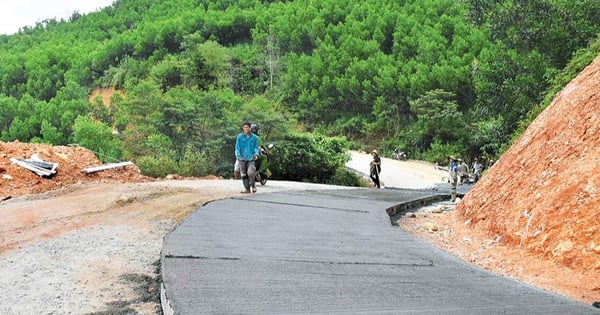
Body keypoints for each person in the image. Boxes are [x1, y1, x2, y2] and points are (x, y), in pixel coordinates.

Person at [235, 121, 260, 193]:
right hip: (242, 158)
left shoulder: (254, 138)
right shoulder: (239, 137)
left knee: (250, 173)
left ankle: (253, 185)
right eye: (244, 127)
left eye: (247, 127)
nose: (246, 129)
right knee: (243, 174)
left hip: (251, 158)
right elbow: (237, 147)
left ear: (250, 128)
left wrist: (256, 154)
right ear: (243, 128)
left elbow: (256, 147)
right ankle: (247, 189)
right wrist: (238, 155)